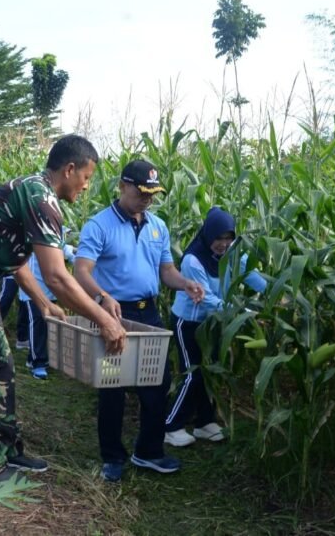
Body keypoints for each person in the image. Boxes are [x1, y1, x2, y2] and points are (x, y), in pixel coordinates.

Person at [0, 134, 126, 482]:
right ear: (70, 168)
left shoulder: (33, 191)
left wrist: (43, 303)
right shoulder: (42, 198)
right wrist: (105, 320)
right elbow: (57, 275)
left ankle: (7, 449)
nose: (86, 186)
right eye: (87, 178)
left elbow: (17, 262)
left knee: (1, 365)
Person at [74, 159, 205, 483]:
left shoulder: (158, 226)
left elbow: (166, 271)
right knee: (112, 387)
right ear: (123, 186)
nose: (147, 198)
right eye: (141, 191)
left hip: (149, 313)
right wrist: (103, 296)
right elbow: (81, 271)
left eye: (152, 193)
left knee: (156, 384)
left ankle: (148, 451)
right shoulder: (99, 225)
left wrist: (185, 283)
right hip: (114, 314)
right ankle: (112, 457)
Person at [163, 207, 267, 447]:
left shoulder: (233, 254)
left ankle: (204, 423)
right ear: (208, 235)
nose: (223, 244)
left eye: (228, 238)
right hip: (189, 322)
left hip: (216, 322)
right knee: (193, 374)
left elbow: (251, 275)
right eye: (218, 238)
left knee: (210, 372)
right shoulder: (193, 260)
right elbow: (207, 299)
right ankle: (171, 426)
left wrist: (276, 292)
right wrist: (243, 314)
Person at [17, 229, 76, 379]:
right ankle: (37, 362)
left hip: (51, 290)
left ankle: (39, 355)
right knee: (37, 324)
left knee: (45, 325)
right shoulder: (33, 230)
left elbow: (64, 248)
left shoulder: (56, 229)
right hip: (34, 289)